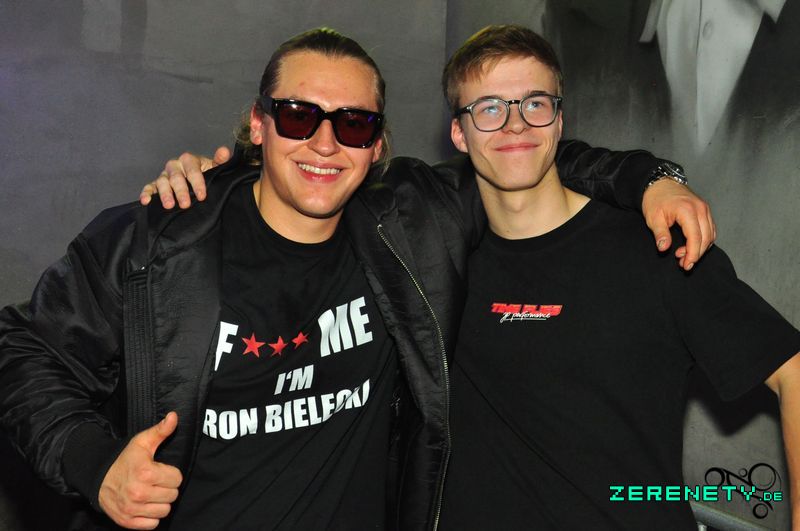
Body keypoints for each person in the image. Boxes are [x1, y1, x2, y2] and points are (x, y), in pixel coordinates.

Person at [0, 28, 713, 531]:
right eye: (298, 116)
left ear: (376, 147)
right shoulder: (158, 241)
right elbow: (19, 349)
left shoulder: (413, 223)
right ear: (258, 124)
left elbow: (518, 148)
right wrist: (94, 464)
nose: (323, 142)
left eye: (353, 124)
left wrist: (652, 178)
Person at [433, 25, 799, 529]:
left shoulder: (655, 246)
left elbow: (792, 369)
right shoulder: (439, 260)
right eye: (490, 108)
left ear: (559, 119)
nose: (515, 124)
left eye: (535, 103)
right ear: (459, 132)